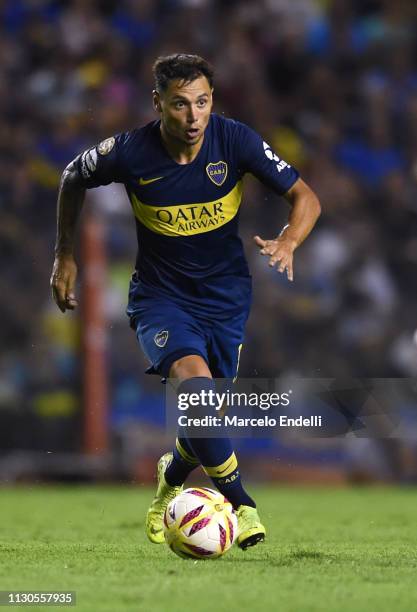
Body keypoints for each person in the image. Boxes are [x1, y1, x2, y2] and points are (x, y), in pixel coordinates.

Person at [50, 54, 321, 550]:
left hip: (226, 300)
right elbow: (72, 175)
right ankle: (242, 505)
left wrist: (288, 241)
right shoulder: (131, 152)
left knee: (204, 415)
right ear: (158, 103)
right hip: (161, 297)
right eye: (180, 105)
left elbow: (306, 197)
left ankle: (169, 480)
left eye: (202, 103)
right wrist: (64, 255)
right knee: (196, 390)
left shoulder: (235, 140)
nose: (194, 117)